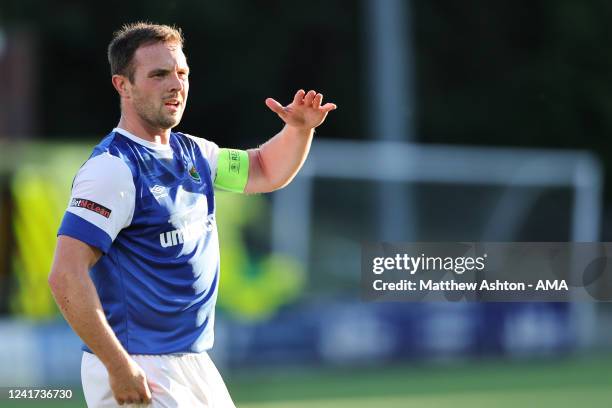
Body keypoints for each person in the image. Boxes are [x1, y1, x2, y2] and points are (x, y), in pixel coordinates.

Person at [48, 22, 336, 407]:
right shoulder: (113, 169)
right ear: (123, 85)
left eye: (181, 73)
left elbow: (266, 169)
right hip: (139, 363)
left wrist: (299, 130)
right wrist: (117, 365)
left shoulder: (195, 154)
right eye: (159, 75)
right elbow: (65, 275)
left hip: (192, 361)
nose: (175, 85)